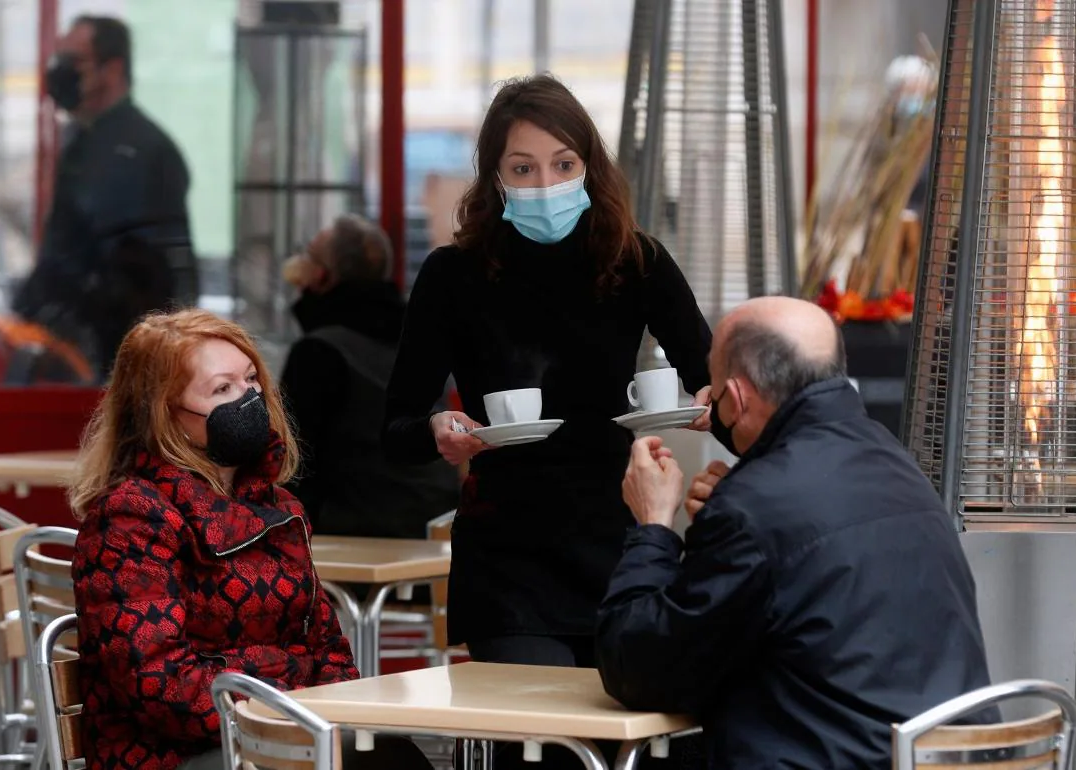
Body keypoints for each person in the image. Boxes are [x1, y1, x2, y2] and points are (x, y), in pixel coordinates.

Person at [382, 74, 713, 765]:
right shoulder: (454, 275)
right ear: (494, 176)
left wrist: (708, 408)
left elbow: (711, 375)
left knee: (652, 746)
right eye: (523, 167)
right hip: (510, 558)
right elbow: (396, 429)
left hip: (619, 546)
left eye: (564, 164)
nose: (546, 182)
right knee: (543, 754)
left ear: (590, 165)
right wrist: (438, 433)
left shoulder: (636, 261)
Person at [597, 296, 997, 769]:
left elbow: (640, 671)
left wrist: (654, 526)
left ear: (739, 398)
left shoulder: (755, 506)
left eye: (718, 401)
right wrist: (740, 506)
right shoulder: (894, 462)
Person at [70, 309, 431, 770]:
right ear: (167, 415)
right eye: (222, 388)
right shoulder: (131, 515)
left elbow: (329, 650)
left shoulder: (279, 508)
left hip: (283, 733)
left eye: (251, 380)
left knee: (392, 757)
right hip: (178, 755)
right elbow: (159, 683)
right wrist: (289, 702)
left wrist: (308, 707)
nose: (248, 398)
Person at [14, 15, 198, 382]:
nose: (59, 71)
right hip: (72, 350)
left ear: (112, 69)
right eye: (58, 59)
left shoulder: (141, 149)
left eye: (73, 60)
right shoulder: (80, 140)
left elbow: (147, 276)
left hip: (114, 363)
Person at [281, 214, 459, 538]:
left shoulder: (319, 352)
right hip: (435, 522)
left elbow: (291, 462)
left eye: (308, 256)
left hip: (354, 534)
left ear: (323, 276)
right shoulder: (421, 335)